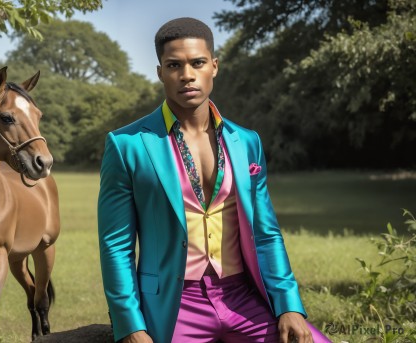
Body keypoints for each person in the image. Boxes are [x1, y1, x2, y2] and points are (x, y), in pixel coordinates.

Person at [97, 17, 331, 343]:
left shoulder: (247, 142)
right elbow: (115, 246)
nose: (187, 75)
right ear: (160, 72)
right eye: (174, 65)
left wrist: (289, 305)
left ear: (214, 66)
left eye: (197, 63)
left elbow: (266, 234)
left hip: (240, 296)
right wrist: (131, 326)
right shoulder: (127, 145)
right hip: (174, 303)